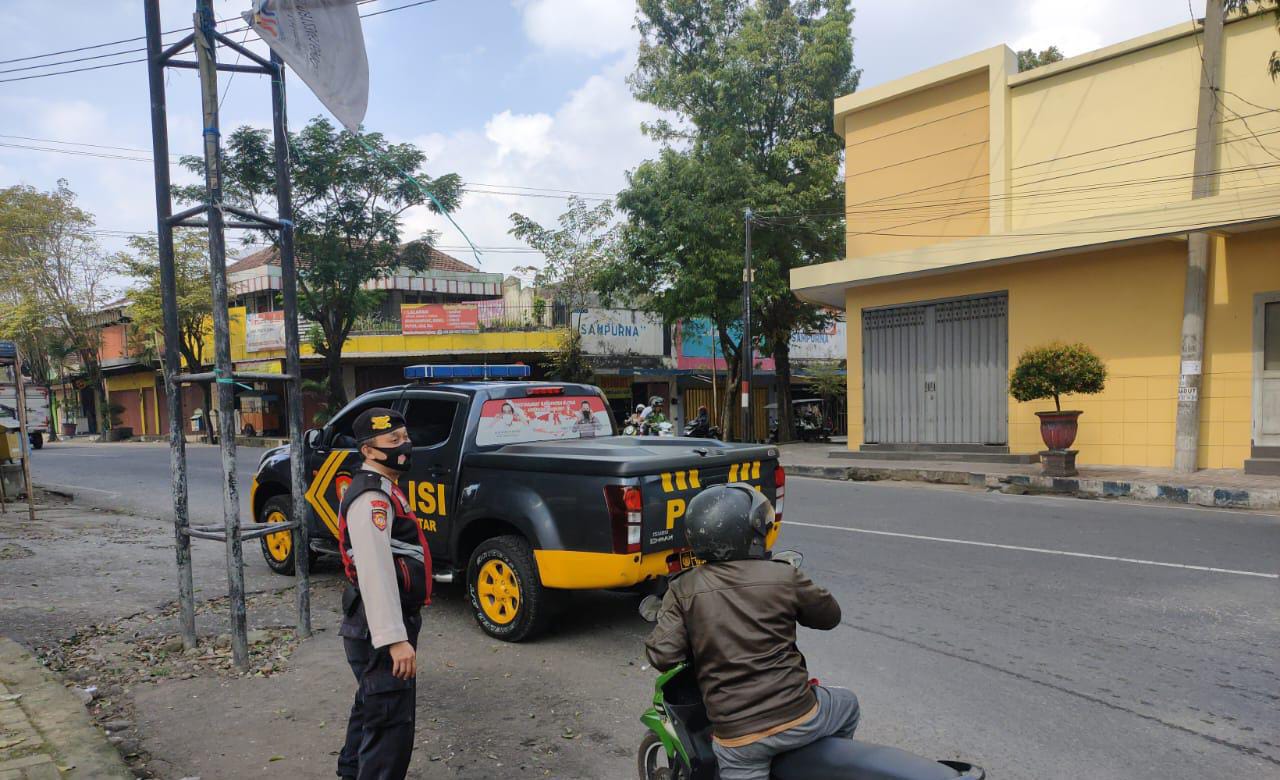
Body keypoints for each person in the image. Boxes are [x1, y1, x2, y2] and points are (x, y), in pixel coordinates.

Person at [644, 484, 858, 780]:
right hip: (801, 716)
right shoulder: (783, 574)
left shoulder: (683, 588)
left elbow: (663, 655)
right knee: (848, 704)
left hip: (739, 740)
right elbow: (829, 616)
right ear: (751, 534)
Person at [337, 408, 432, 780]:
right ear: (369, 451)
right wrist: (395, 640)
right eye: (393, 442)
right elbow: (375, 572)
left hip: (369, 625)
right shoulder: (372, 498)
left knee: (372, 710)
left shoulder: (385, 488)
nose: (404, 446)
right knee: (389, 727)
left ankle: (350, 773)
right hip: (378, 630)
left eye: (404, 437)